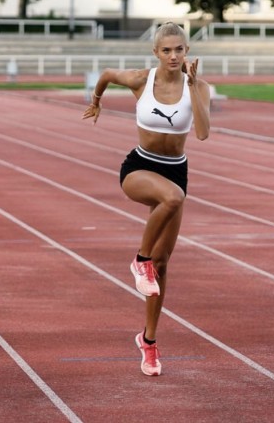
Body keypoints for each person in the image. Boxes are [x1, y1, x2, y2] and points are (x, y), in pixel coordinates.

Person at [81, 22, 210, 376]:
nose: (173, 56)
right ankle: (140, 260)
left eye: (179, 50)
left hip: (175, 170)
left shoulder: (199, 86)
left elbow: (202, 133)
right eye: (166, 50)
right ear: (156, 53)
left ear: (187, 51)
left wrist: (196, 87)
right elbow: (106, 74)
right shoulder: (142, 80)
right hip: (139, 168)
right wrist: (96, 102)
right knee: (173, 198)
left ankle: (148, 343)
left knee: (163, 266)